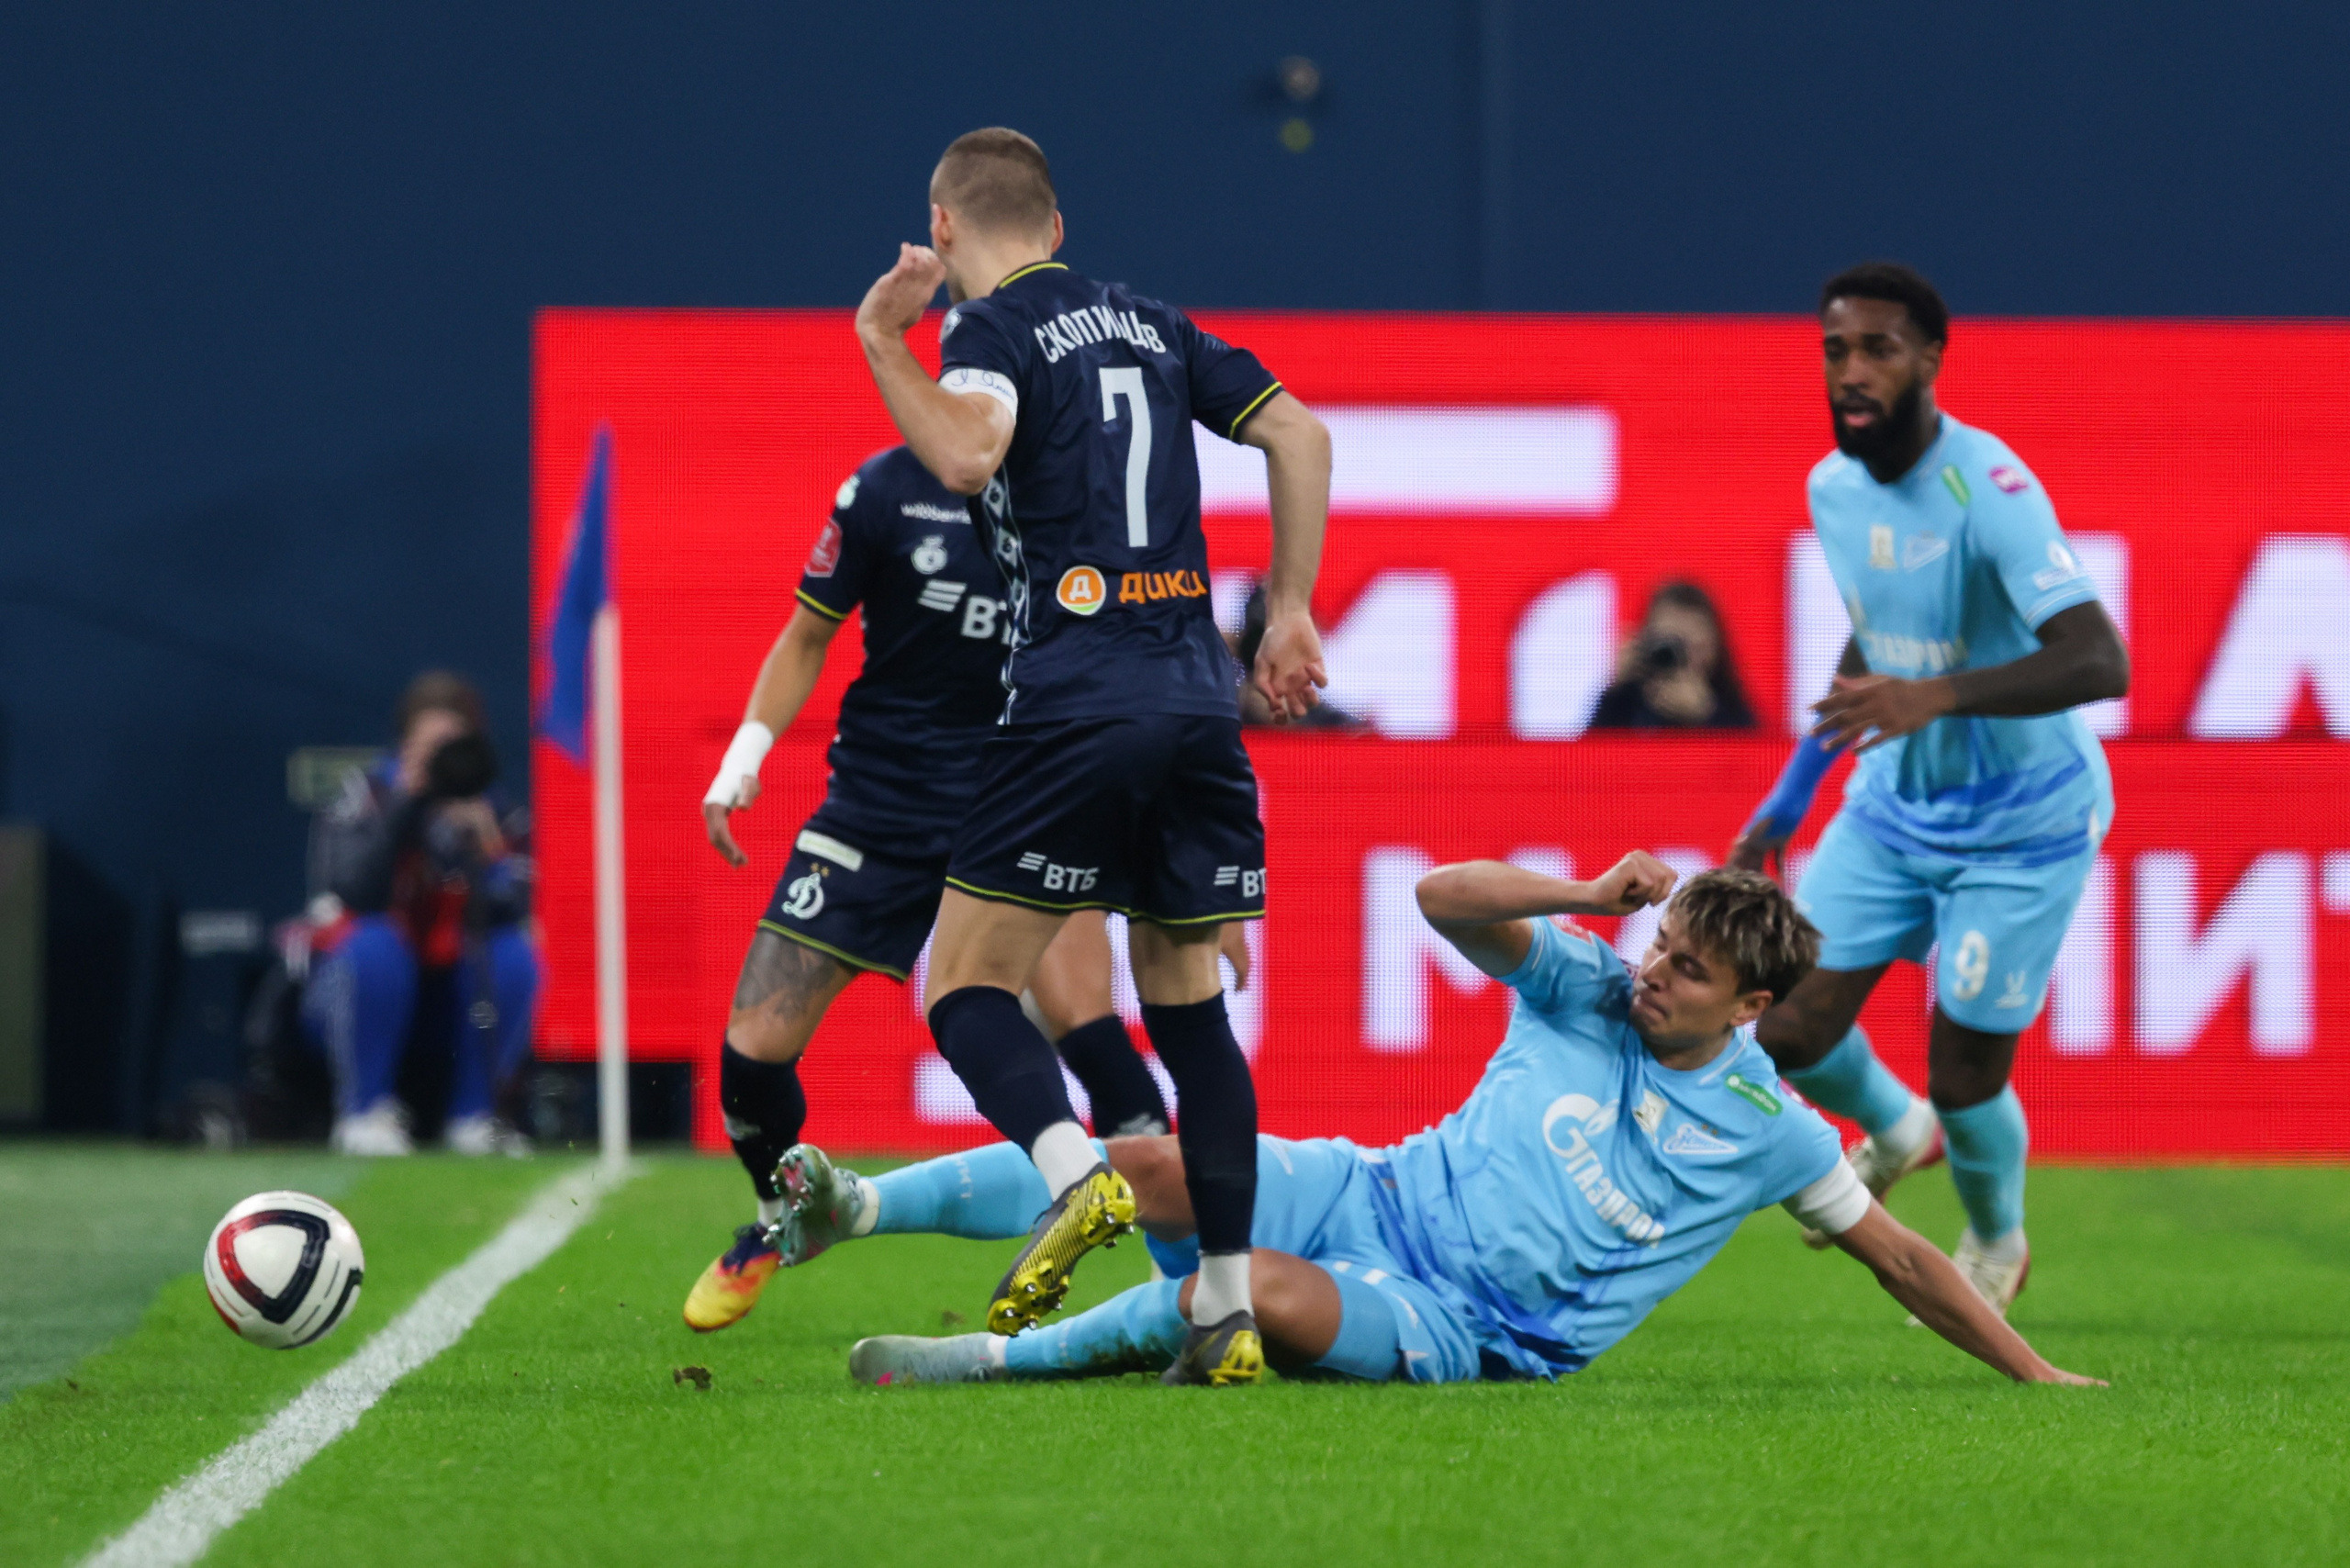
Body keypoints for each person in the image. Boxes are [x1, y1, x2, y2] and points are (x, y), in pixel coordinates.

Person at [755, 857, 2099, 1390]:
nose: (1652, 971)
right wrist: (1589, 888)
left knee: (1247, 1297)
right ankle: (850, 1209)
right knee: (1149, 1164)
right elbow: (1444, 898)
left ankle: (985, 1365)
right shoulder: (1584, 978)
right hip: (1374, 1193)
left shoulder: (1775, 1129)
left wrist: (2037, 1377)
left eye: (1686, 968)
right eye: (1660, 942)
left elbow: (1908, 1262)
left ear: (1749, 1006)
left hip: (1473, 1327)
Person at [852, 127, 1332, 1383]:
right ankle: (1225, 1314)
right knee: (1193, 1020)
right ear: (1058, 227)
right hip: (1196, 704)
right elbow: (1303, 436)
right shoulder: (1154, 325)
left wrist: (880, 341)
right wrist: (1287, 609)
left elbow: (963, 454)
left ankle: (1078, 1178)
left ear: (945, 231)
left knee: (959, 986)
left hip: (1072, 702)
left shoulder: (990, 332)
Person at [683, 444, 1177, 1332]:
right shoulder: (882, 491)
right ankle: (777, 1217)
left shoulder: (1080, 498)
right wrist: (743, 759)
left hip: (1023, 804)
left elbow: (1137, 668)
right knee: (753, 1045)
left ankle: (1195, 1266)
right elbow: (806, 634)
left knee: (1090, 1027)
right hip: (878, 807)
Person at [1728, 263, 2130, 1312]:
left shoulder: (1988, 487)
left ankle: (1996, 1235)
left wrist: (1935, 696)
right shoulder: (1831, 486)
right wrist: (1789, 794)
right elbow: (1875, 637)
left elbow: (2099, 660)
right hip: (1892, 809)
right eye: (1834, 350)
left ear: (1930, 362)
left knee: (1966, 1078)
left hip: (2024, 824)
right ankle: (1894, 1127)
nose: (1852, 372)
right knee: (1786, 1029)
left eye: (1878, 350)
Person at [305, 671, 539, 1157]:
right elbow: (354, 891)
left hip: (448, 994)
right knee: (375, 943)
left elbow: (511, 902)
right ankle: (363, 1112)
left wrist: (480, 850)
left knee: (514, 953)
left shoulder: (492, 809)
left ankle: (476, 1116)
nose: (440, 761)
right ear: (406, 743)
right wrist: (406, 807)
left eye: (451, 747)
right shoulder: (367, 796)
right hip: (356, 991)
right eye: (429, 746)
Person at [1586, 579, 1757, 731]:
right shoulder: (1627, 699)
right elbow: (1594, 754)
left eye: (1693, 643)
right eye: (1670, 642)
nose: (1679, 656)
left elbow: (1751, 755)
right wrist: (1613, 689)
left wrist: (1707, 716)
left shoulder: (1729, 704)